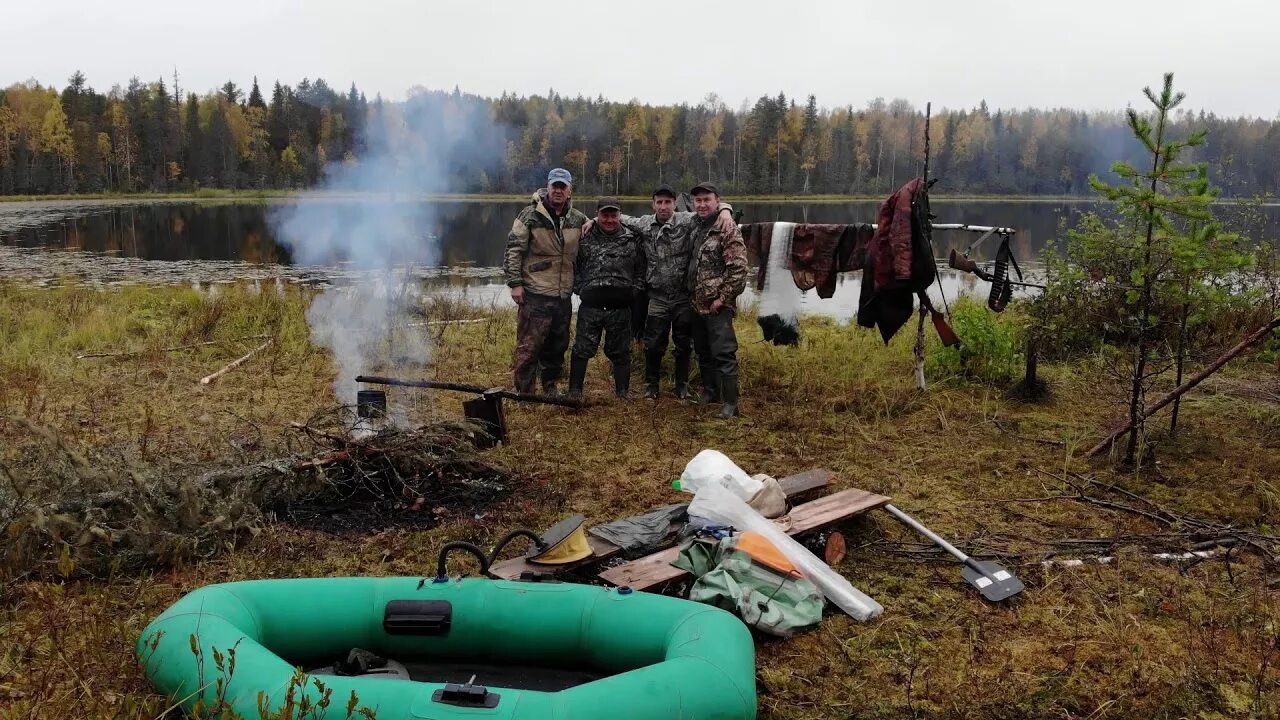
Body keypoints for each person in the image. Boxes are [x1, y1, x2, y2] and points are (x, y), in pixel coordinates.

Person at [583, 185, 736, 399]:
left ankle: (681, 385)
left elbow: (709, 211)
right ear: (653, 204)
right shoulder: (644, 223)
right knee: (653, 344)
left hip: (683, 297)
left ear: (675, 204)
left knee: (683, 344)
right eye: (659, 202)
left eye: (668, 202)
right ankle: (651, 385)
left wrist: (725, 209)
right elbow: (618, 218)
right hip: (657, 297)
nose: (663, 207)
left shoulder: (687, 220)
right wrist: (593, 221)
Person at [503, 168, 589, 395]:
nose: (558, 190)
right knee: (529, 347)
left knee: (557, 346)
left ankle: (550, 386)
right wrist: (515, 283)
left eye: (563, 186)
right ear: (548, 188)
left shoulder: (578, 218)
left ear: (570, 190)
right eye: (555, 186)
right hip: (535, 293)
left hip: (563, 295)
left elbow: (600, 228)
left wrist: (596, 221)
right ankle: (525, 392)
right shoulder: (529, 215)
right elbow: (513, 250)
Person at [568, 197, 644, 400]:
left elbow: (641, 270)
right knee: (582, 349)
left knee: (621, 352)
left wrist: (633, 292)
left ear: (620, 215)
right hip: (591, 306)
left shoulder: (632, 238)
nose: (609, 220)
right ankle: (575, 391)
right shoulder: (585, 236)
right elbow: (574, 266)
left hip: (620, 308)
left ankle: (622, 393)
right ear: (597, 214)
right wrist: (580, 289)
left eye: (613, 215)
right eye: (605, 215)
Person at [686, 182, 747, 418]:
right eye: (698, 201)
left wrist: (723, 298)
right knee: (702, 351)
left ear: (717, 201)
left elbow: (739, 269)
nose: (702, 205)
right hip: (696, 303)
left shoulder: (727, 228)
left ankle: (731, 403)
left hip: (717, 306)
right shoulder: (694, 225)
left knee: (724, 353)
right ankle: (711, 391)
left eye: (706, 200)